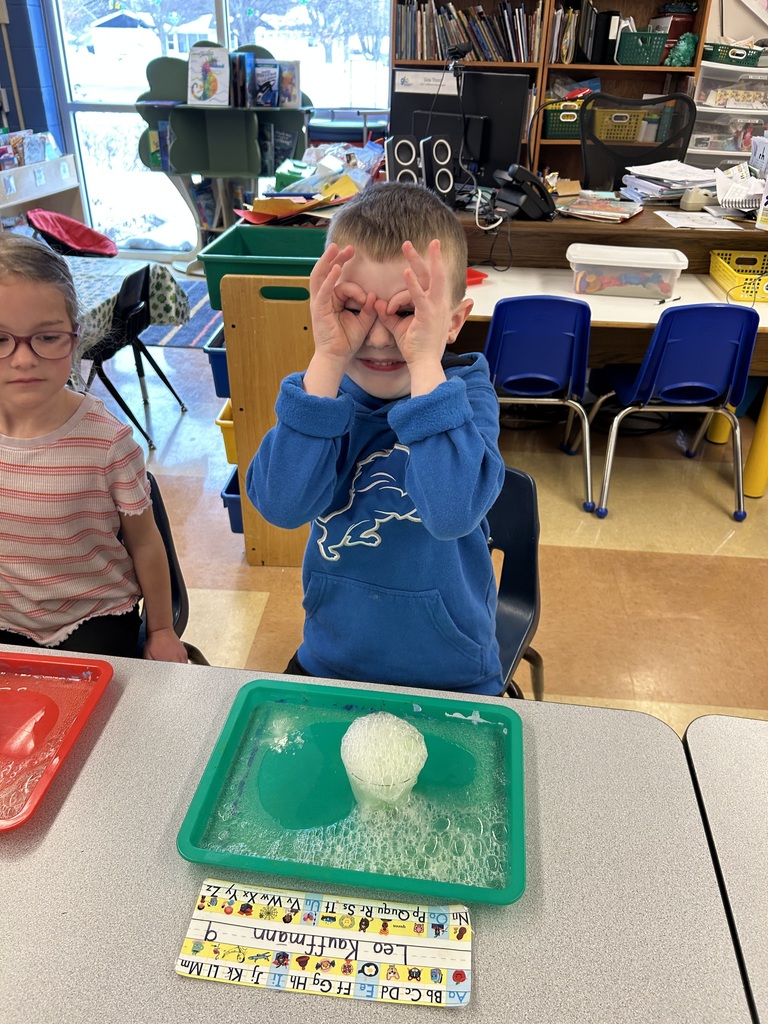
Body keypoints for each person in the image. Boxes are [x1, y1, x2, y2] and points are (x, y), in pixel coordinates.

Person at [246, 181, 506, 694]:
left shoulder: (467, 396)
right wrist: (326, 357)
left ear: (453, 322)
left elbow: (452, 512)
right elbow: (281, 506)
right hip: (332, 659)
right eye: (354, 308)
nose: (381, 335)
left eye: (407, 312)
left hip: (450, 670)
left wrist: (425, 362)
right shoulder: (321, 399)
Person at [0, 233, 188, 662]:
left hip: (93, 615)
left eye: (47, 338)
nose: (23, 359)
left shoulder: (107, 442)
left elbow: (144, 542)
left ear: (75, 336)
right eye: (0, 340)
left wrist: (160, 629)